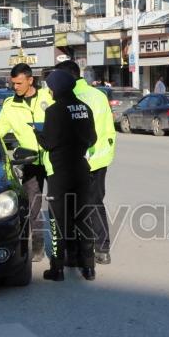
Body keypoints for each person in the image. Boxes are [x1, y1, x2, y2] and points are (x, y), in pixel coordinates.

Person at [34, 70, 97, 281]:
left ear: (58, 88)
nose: (49, 91)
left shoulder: (54, 111)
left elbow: (49, 143)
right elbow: (93, 138)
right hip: (81, 169)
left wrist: (38, 134)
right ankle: (89, 267)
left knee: (58, 221)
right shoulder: (85, 108)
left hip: (60, 173)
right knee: (83, 218)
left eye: (50, 87)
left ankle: (57, 268)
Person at [55, 60, 117, 265]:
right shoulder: (98, 95)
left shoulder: (66, 98)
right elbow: (107, 128)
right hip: (99, 158)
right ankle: (102, 249)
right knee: (94, 203)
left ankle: (75, 252)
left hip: (76, 160)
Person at [0, 64, 54, 262]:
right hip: (29, 162)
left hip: (53, 160)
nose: (15, 87)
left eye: (19, 83)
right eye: (13, 83)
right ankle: (37, 247)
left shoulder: (48, 97)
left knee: (59, 205)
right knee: (33, 208)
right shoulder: (10, 105)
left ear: (30, 80)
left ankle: (65, 248)